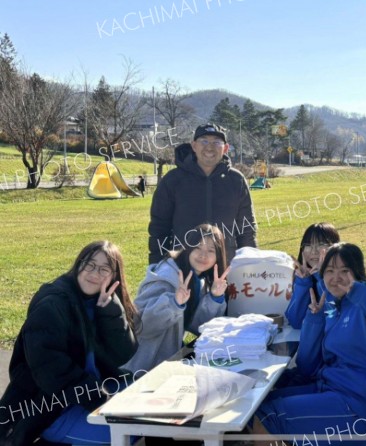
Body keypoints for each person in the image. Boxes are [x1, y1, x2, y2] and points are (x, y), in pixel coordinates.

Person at [252, 243, 366, 445]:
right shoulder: (335, 308)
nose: (336, 277)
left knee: (269, 416)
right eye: (329, 271)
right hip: (333, 391)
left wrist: (361, 294)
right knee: (261, 403)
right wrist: (315, 319)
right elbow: (307, 366)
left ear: (358, 273)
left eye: (345, 270)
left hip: (365, 410)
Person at [0, 241, 138, 445]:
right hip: (50, 409)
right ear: (78, 264)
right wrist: (102, 400)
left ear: (114, 276)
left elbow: (123, 353)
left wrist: (109, 313)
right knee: (128, 433)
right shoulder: (52, 305)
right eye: (89, 264)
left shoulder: (101, 302)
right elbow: (52, 372)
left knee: (148, 411)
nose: (94, 273)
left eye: (104, 269)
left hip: (89, 397)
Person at [123, 224, 229, 374]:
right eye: (197, 247)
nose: (203, 255)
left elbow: (198, 326)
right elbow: (141, 326)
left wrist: (214, 298)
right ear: (187, 248)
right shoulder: (166, 278)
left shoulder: (198, 279)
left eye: (211, 250)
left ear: (218, 256)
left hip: (168, 361)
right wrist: (173, 303)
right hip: (141, 369)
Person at [148, 123, 257, 265]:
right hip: (183, 267)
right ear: (193, 146)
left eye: (216, 142)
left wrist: (249, 265)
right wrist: (157, 264)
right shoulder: (173, 180)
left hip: (225, 267)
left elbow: (247, 229)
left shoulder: (236, 180)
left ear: (225, 148)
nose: (210, 147)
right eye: (204, 141)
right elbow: (159, 227)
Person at [285, 222, 340, 329]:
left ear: (335, 247)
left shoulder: (346, 277)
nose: (314, 251)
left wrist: (322, 277)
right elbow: (296, 322)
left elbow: (335, 317)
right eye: (308, 245)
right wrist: (303, 283)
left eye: (321, 245)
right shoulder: (304, 277)